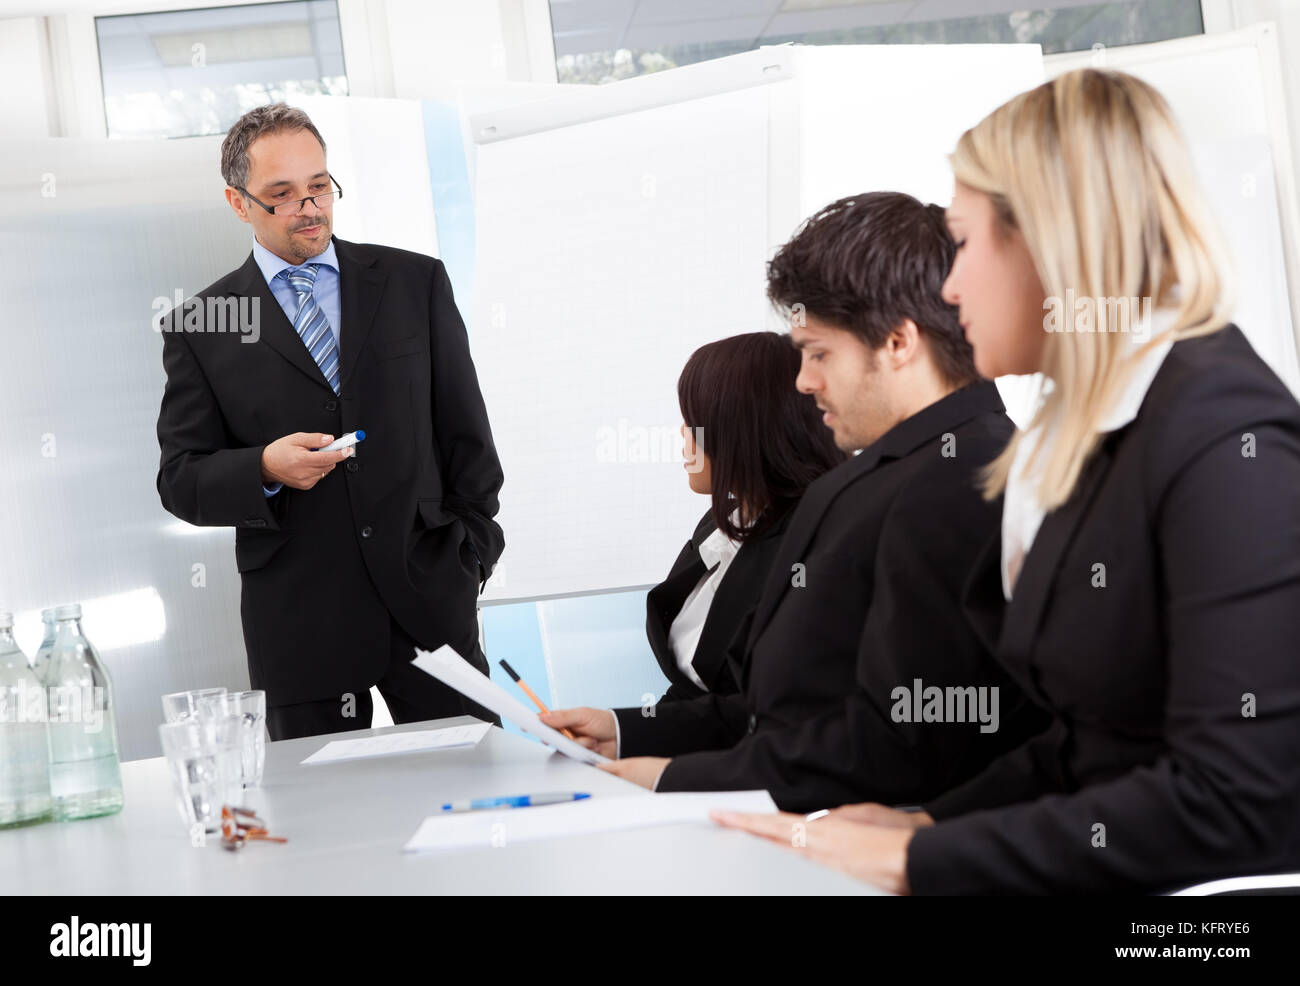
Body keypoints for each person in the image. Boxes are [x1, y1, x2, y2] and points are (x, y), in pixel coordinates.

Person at [716, 69, 1300, 894]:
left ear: (1051, 241)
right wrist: (927, 821)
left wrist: (917, 858)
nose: (949, 289)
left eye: (963, 242)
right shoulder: (1095, 434)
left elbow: (1239, 803)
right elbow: (1093, 747)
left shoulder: (1223, 438)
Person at [545, 192, 1046, 807]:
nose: (804, 382)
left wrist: (670, 781)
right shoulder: (906, 471)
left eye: (818, 353)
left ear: (897, 342)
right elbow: (788, 713)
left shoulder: (960, 481)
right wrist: (633, 734)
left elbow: (908, 745)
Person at [156, 104, 504, 740]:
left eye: (319, 187)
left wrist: (471, 555)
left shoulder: (413, 282)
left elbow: (467, 436)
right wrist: (263, 467)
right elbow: (180, 479)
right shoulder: (201, 326)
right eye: (282, 195)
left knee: (474, 796)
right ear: (239, 204)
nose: (309, 208)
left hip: (429, 600)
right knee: (325, 823)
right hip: (300, 623)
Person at [574, 333, 845, 758]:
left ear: (737, 428)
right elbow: (693, 694)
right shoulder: (724, 523)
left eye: (692, 420)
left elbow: (774, 719)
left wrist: (634, 744)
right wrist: (619, 734)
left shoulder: (814, 547)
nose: (681, 436)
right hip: (694, 764)